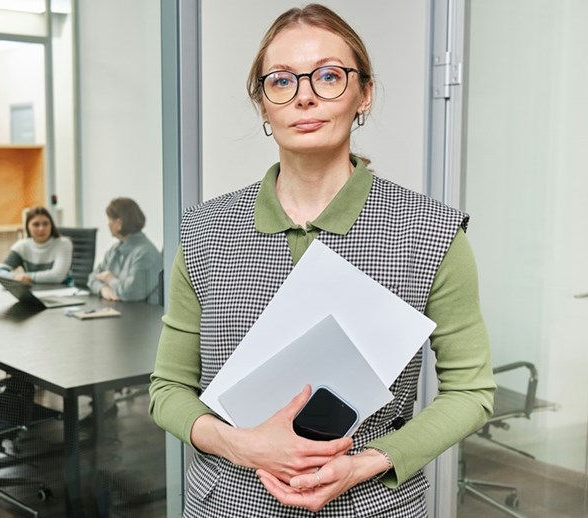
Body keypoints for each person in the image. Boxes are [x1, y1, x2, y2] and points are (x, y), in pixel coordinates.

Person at [148, 4, 495, 517]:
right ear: (262, 104)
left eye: (329, 76)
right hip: (231, 502)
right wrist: (239, 444)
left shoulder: (433, 233)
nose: (305, 94)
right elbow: (167, 389)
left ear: (364, 93)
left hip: (372, 504)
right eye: (282, 81)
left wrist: (367, 462)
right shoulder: (205, 231)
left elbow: (472, 391)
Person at [87, 197, 161, 304]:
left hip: (140, 316)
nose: (107, 224)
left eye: (109, 220)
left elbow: (130, 293)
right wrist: (102, 289)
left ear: (118, 224)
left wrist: (109, 279)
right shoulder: (114, 249)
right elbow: (92, 278)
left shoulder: (146, 254)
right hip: (118, 311)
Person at [0, 206, 73, 285]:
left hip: (62, 292)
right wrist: (14, 277)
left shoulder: (63, 244)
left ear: (51, 226)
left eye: (46, 224)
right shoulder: (22, 246)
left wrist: (27, 277)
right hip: (34, 292)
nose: (41, 228)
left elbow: (57, 276)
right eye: (36, 224)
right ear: (28, 227)